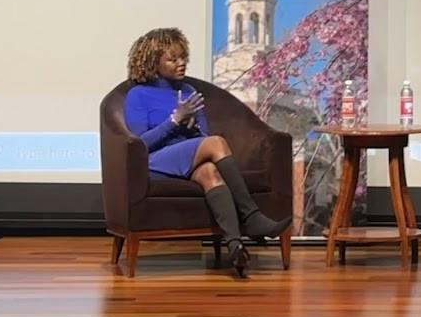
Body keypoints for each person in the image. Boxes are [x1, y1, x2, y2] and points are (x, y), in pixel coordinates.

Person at [123, 27, 293, 278]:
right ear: (152, 63)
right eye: (173, 59)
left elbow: (203, 137)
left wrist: (191, 129)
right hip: (157, 159)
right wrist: (174, 121)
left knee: (211, 172)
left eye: (183, 58)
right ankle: (252, 216)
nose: (181, 64)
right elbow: (141, 145)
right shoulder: (138, 95)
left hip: (187, 158)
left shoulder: (190, 91)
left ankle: (234, 245)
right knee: (216, 143)